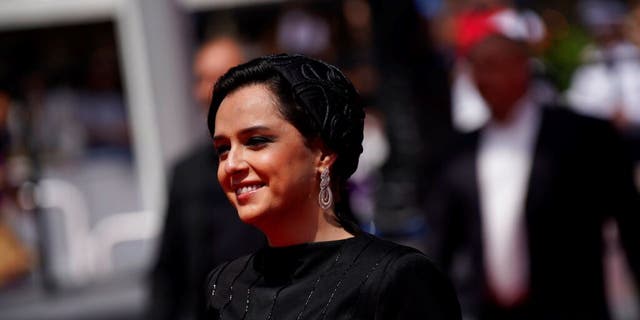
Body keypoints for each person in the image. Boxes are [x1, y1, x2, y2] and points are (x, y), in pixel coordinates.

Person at [204, 54, 461, 319]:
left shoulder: (397, 278)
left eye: (256, 141)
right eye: (223, 149)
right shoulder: (225, 287)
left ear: (323, 153)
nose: (231, 164)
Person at [424, 34, 640, 319]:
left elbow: (630, 221)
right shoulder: (459, 150)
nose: (484, 78)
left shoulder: (584, 136)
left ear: (521, 67)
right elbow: (443, 240)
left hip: (572, 307)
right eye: (476, 68)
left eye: (493, 66)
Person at [148, 37, 265, 320]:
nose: (209, 90)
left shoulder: (276, 160)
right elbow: (168, 269)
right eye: (202, 79)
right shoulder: (185, 173)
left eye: (220, 77)